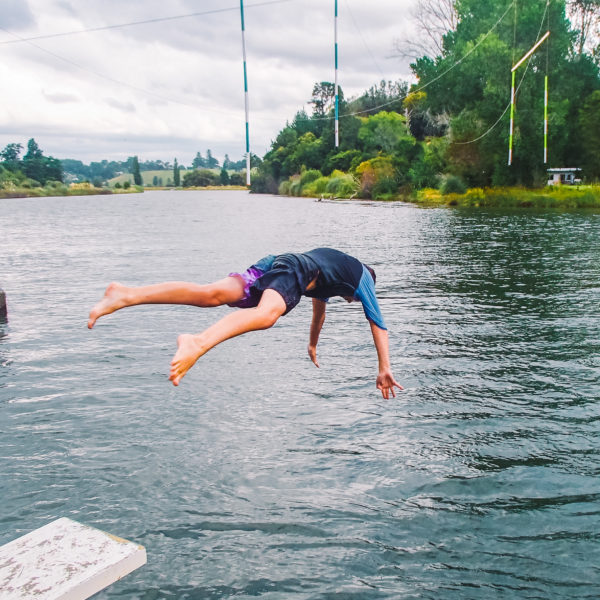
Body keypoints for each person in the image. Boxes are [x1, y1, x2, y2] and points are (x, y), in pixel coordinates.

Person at [88, 247, 402, 398]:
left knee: (211, 294)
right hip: (297, 269)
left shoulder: (336, 275)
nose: (355, 300)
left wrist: (312, 343)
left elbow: (319, 308)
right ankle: (196, 342)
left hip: (276, 263)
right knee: (266, 316)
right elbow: (378, 322)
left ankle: (126, 295)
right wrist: (384, 366)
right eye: (357, 298)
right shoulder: (363, 277)